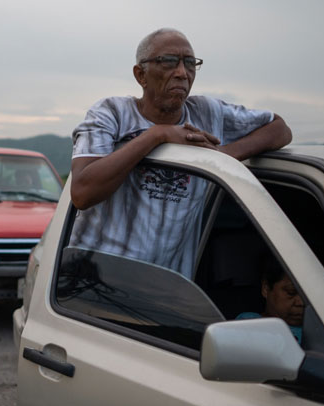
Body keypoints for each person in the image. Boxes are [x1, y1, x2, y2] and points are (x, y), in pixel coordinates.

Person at [69, 28, 292, 279]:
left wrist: (222, 156)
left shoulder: (207, 113)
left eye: (189, 63)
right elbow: (82, 192)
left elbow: (280, 129)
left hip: (168, 292)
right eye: (169, 62)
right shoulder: (111, 113)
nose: (182, 73)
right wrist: (157, 135)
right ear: (140, 74)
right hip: (94, 284)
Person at [237, 257, 304, 342]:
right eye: (291, 292)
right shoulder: (249, 324)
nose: (301, 302)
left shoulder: (321, 327)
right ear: (266, 288)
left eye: (308, 296)